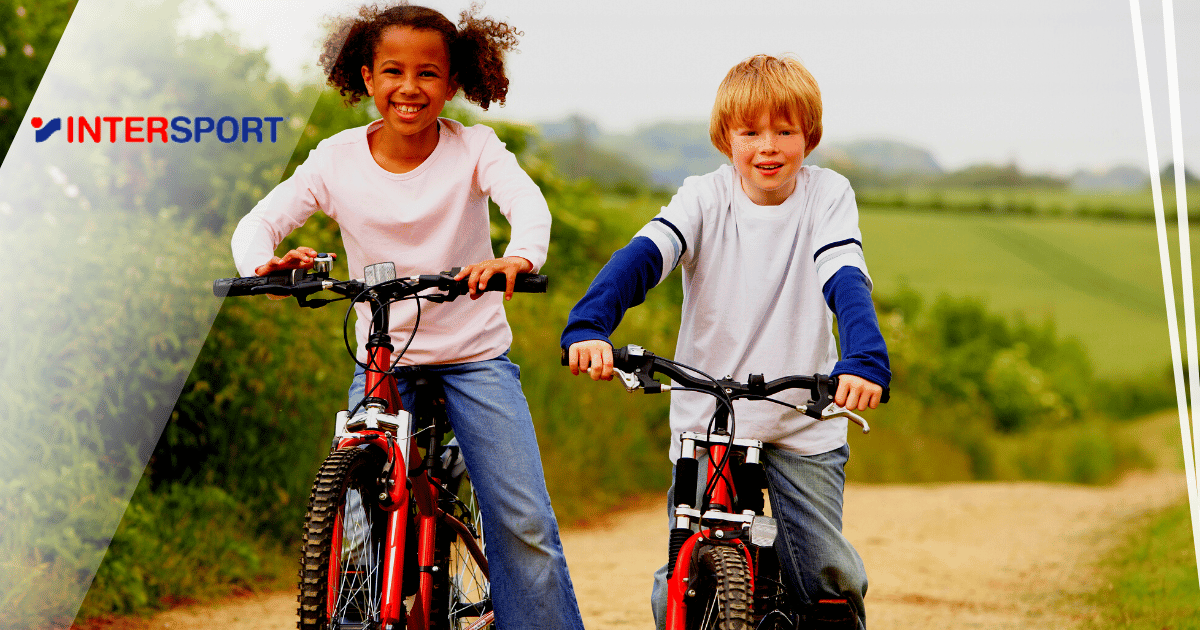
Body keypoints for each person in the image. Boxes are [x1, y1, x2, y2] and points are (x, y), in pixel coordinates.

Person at [229, 4, 585, 628]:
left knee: (522, 521)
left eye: (428, 74)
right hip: (385, 355)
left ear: (453, 84)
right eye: (392, 71)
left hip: (473, 357)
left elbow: (528, 205)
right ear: (365, 77)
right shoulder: (335, 159)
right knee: (361, 520)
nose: (409, 87)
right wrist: (265, 263)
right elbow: (260, 221)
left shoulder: (474, 146)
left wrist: (519, 258)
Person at [561, 53, 890, 629]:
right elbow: (641, 260)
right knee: (680, 584)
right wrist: (590, 325)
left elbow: (845, 277)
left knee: (827, 576)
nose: (768, 146)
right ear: (725, 138)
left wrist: (863, 358)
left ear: (808, 138)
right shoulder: (704, 197)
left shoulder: (827, 196)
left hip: (800, 419)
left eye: (785, 131)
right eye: (751, 132)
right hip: (708, 420)